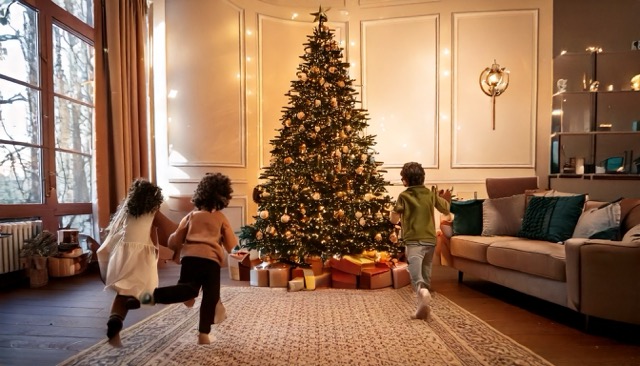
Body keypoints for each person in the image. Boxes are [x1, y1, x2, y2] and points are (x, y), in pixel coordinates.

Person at [140, 172, 238, 345]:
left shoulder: (191, 216)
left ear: (200, 194)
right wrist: (235, 251)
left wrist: (175, 247)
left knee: (186, 289)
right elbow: (231, 245)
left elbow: (174, 240)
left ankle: (150, 296)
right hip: (211, 263)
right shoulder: (221, 218)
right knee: (210, 297)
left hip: (190, 260)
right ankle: (203, 334)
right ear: (223, 197)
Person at [96, 178, 164, 347]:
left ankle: (115, 322)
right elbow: (162, 230)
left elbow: (121, 232)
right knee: (147, 291)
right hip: (142, 256)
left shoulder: (126, 210)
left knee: (123, 291)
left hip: (122, 254)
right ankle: (136, 301)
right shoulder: (153, 210)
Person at [389, 162, 451, 320]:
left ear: (405, 180)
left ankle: (422, 293)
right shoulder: (430, 194)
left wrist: (393, 215)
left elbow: (393, 218)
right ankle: (422, 308)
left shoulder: (404, 196)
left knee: (416, 276)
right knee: (426, 271)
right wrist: (444, 199)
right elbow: (445, 209)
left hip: (414, 242)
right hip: (430, 241)